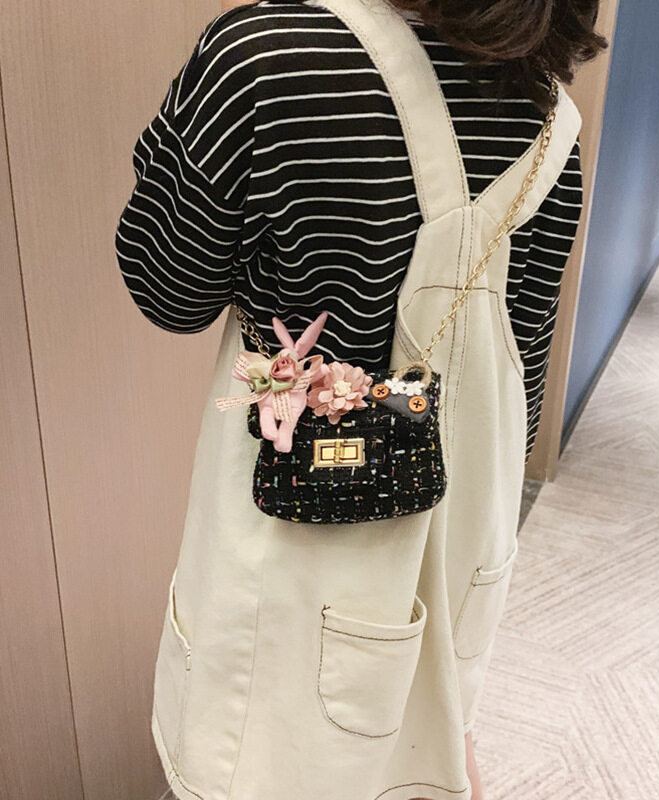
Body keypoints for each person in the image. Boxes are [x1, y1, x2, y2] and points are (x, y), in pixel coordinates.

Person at [115, 1, 604, 798]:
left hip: (294, 495)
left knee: (265, 752)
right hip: (462, 503)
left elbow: (168, 291)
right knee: (431, 742)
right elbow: (528, 352)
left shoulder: (264, 55)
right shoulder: (548, 107)